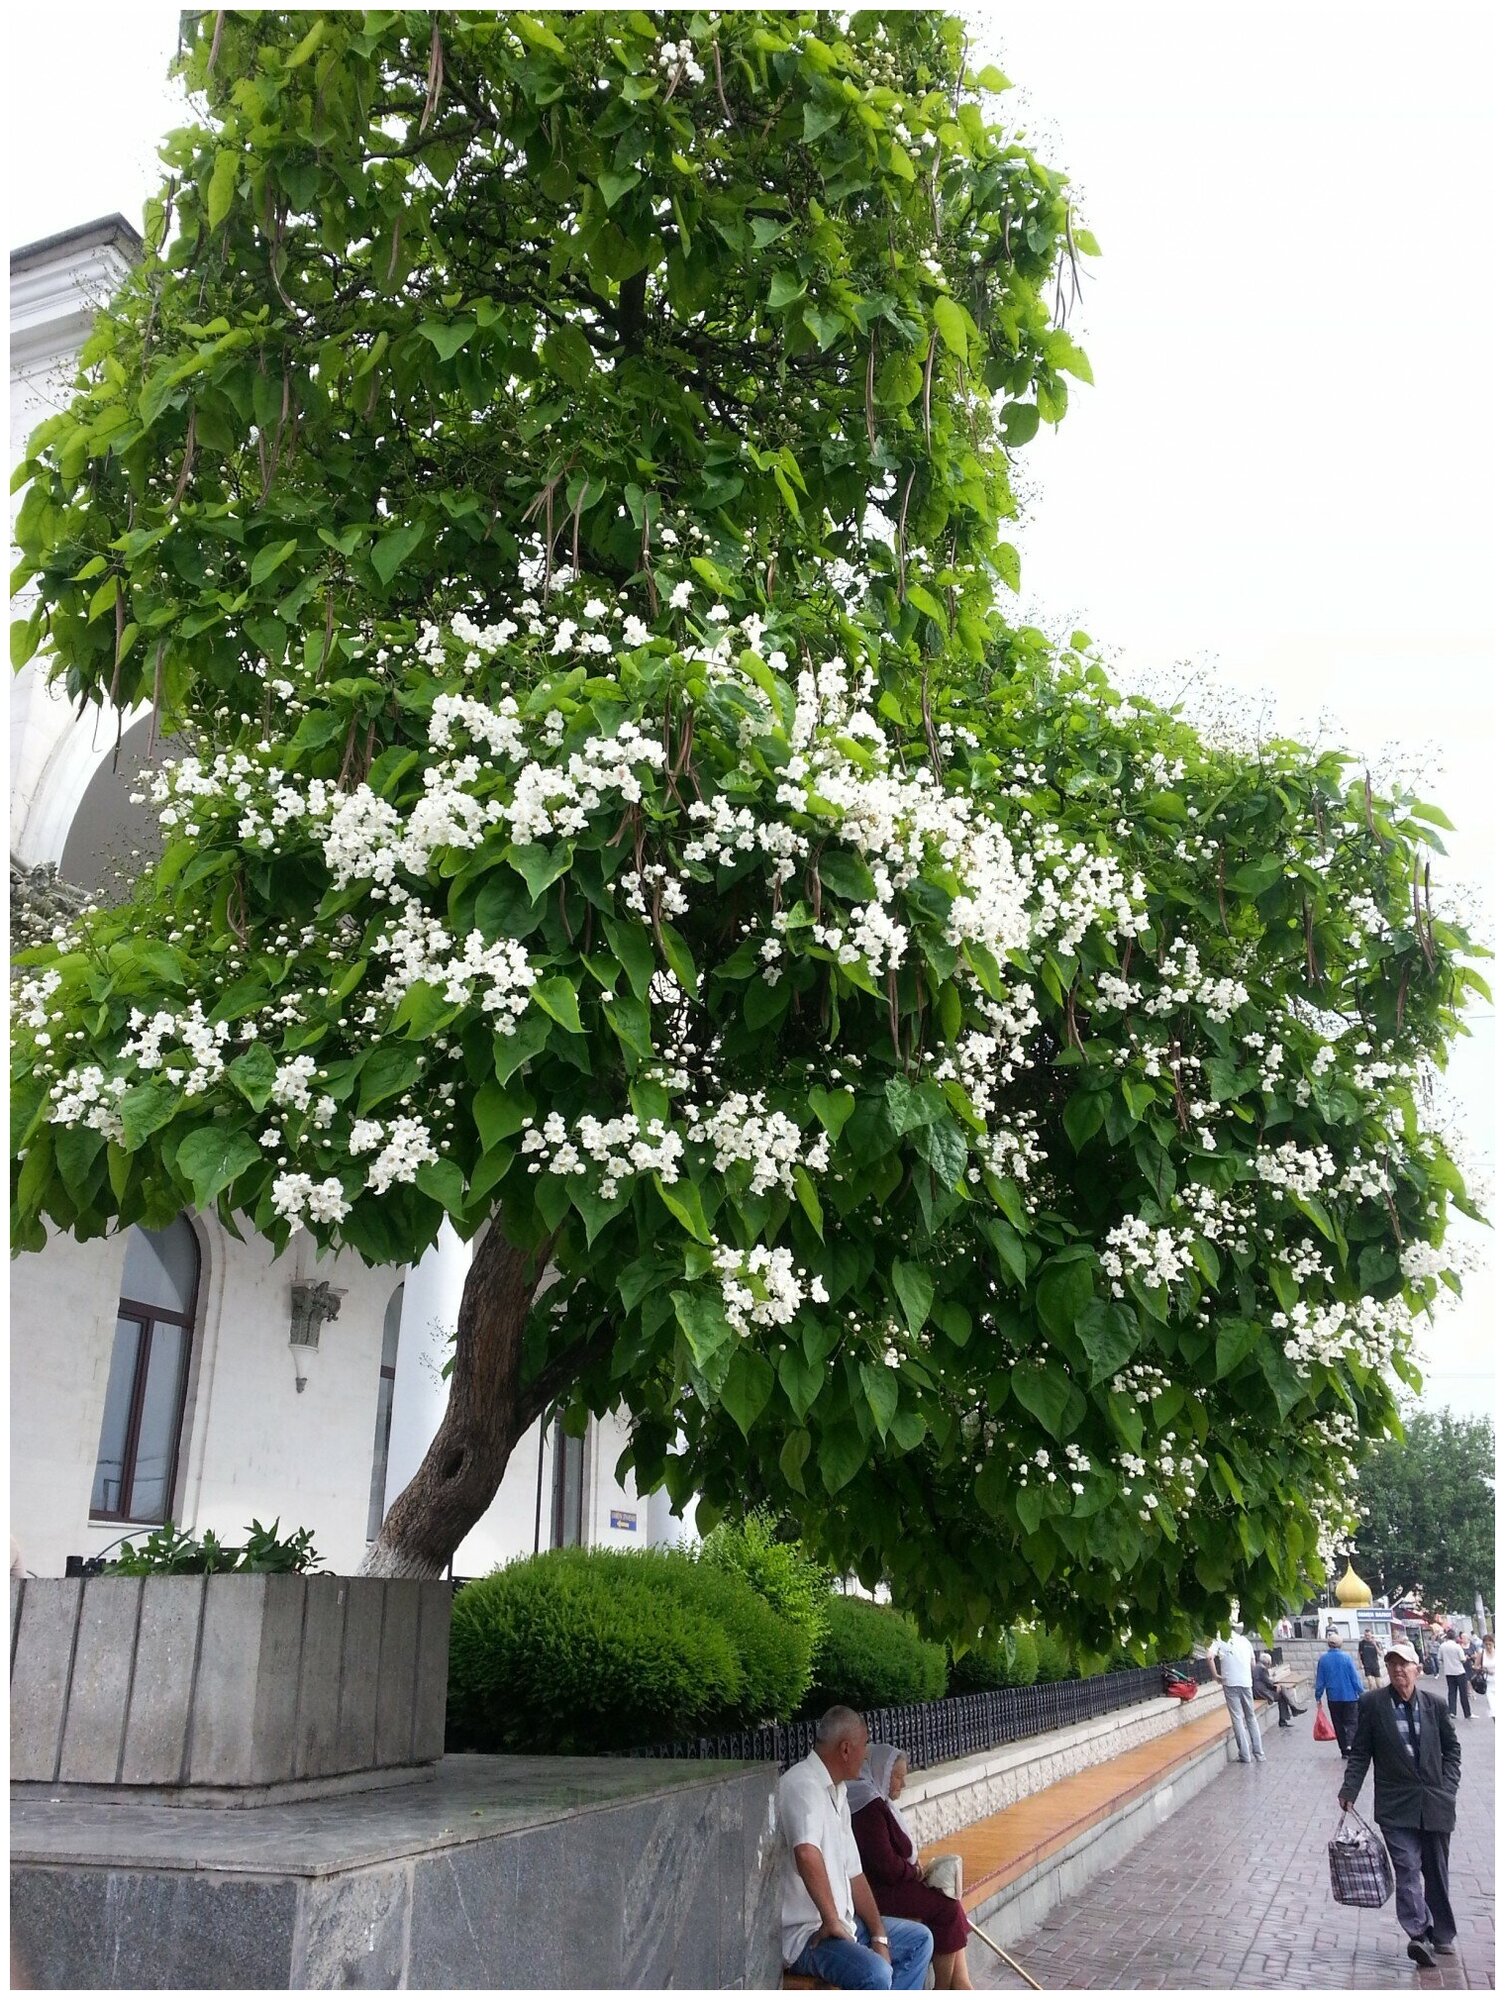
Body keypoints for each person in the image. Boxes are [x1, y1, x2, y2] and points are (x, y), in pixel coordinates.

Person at [776, 1705, 935, 1990]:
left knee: (919, 1940)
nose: (865, 1756)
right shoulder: (802, 1784)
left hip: (845, 1926)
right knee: (874, 1973)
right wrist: (831, 1919)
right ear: (846, 1749)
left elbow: (855, 1873)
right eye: (864, 1747)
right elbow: (806, 1852)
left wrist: (879, 1936)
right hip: (809, 1935)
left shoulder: (839, 1790)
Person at [1339, 1639, 1462, 1969]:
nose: (1397, 1669)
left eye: (1403, 1664)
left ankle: (1443, 1934)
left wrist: (1448, 1787)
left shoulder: (1435, 1705)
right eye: (1392, 1663)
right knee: (1407, 1867)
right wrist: (1349, 1789)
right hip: (1395, 1805)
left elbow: (1452, 1751)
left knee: (1435, 1870)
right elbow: (1360, 1751)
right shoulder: (1373, 1704)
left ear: (1417, 1670)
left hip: (1435, 1803)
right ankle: (1418, 1934)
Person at [848, 1744, 973, 1990]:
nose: (902, 1784)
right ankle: (946, 1987)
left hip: (894, 1884)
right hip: (878, 1893)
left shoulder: (879, 1802)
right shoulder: (867, 1808)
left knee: (950, 1901)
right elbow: (884, 1865)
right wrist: (914, 1872)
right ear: (880, 1772)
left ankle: (960, 1983)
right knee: (946, 1908)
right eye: (897, 1777)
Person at [1207, 1622, 1265, 1764]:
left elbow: (1209, 1657)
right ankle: (1259, 1753)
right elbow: (1252, 1663)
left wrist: (1215, 1675)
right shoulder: (1245, 1641)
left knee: (1237, 1718)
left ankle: (1245, 1755)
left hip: (1230, 1682)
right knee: (1251, 1717)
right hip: (1246, 1682)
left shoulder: (1219, 1638)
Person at [1313, 1631, 1364, 1754]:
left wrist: (1318, 1696)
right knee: (1352, 1721)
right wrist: (1361, 1691)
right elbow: (1354, 1677)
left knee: (1338, 1722)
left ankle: (1343, 1748)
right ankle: (1351, 1744)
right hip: (1350, 1696)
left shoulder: (1323, 1660)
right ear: (1341, 1644)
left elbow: (1320, 1680)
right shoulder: (1346, 1658)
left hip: (1333, 1697)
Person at [1253, 1651, 1305, 1728]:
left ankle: (1292, 1710)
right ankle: (1291, 1710)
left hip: (1258, 1691)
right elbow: (1268, 1682)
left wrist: (1276, 1685)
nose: (1270, 1665)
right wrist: (1275, 1685)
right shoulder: (1262, 1668)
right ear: (1267, 1662)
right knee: (1282, 1694)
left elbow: (1266, 1681)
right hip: (1261, 1692)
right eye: (1269, 1663)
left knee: (1282, 1690)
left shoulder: (1257, 1666)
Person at [1438, 1630, 1472, 1719]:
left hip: (1448, 1672)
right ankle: (1467, 1713)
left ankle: (1452, 1711)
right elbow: (1463, 1659)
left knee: (1451, 1692)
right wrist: (1466, 1658)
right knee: (1463, 1693)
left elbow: (1440, 1658)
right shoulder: (1457, 1647)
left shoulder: (1442, 1646)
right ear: (1455, 1637)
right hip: (1459, 1671)